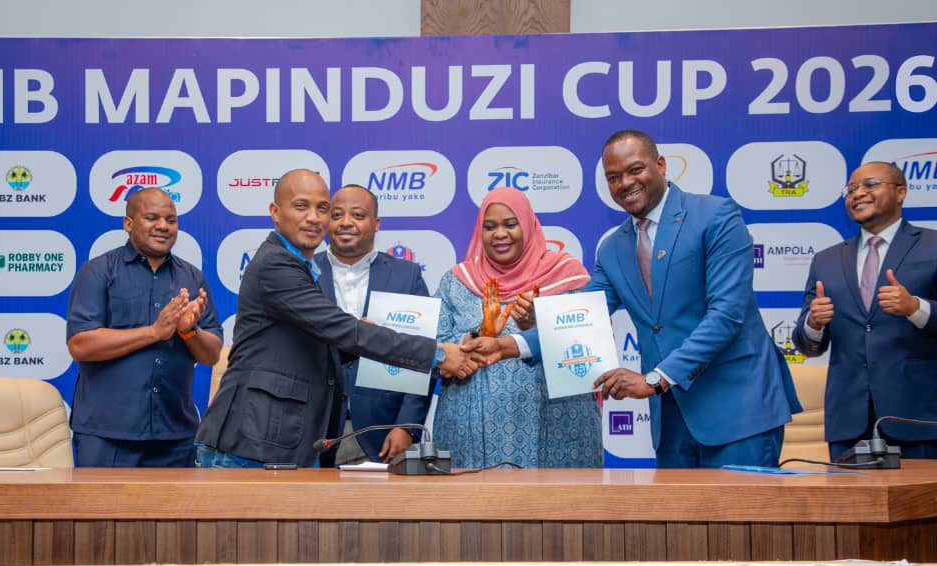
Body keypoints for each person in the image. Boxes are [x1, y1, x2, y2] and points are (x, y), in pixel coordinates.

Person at [194, 169, 481, 468]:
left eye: (322, 208)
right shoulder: (276, 265)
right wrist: (437, 354)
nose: (314, 218)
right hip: (250, 442)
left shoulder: (300, 265)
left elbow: (311, 344)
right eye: (301, 206)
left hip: (279, 440)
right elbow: (344, 330)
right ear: (275, 212)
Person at [585, 130, 800, 468]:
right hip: (671, 424)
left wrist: (655, 379)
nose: (625, 183)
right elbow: (583, 311)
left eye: (635, 170)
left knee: (743, 506)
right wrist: (513, 343)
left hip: (738, 411)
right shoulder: (613, 248)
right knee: (679, 508)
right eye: (613, 177)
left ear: (660, 165)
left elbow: (726, 315)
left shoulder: (715, 215)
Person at [432, 186, 602, 469]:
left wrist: (538, 324)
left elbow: (591, 345)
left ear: (528, 225)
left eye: (510, 224)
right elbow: (431, 348)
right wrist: (481, 332)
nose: (500, 234)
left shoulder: (566, 275)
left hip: (556, 422)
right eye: (490, 227)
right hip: (470, 428)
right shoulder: (457, 281)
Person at [66, 187, 223, 467]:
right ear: (128, 224)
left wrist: (189, 332)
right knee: (102, 501)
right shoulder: (98, 271)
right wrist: (154, 332)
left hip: (175, 437)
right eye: (152, 218)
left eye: (171, 220)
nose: (163, 226)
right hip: (106, 436)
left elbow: (211, 354)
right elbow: (81, 344)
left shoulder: (192, 277)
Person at [793, 161, 937, 459]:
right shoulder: (826, 260)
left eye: (870, 185)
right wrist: (813, 324)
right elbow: (807, 346)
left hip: (919, 418)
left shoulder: (932, 245)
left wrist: (916, 308)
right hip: (848, 422)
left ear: (900, 193)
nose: (858, 194)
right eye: (851, 189)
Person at [316, 184, 432, 465]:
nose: (346, 222)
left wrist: (406, 426)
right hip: (313, 429)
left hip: (383, 430)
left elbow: (422, 356)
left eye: (357, 215)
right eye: (336, 215)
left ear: (376, 223)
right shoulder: (303, 272)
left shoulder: (407, 276)